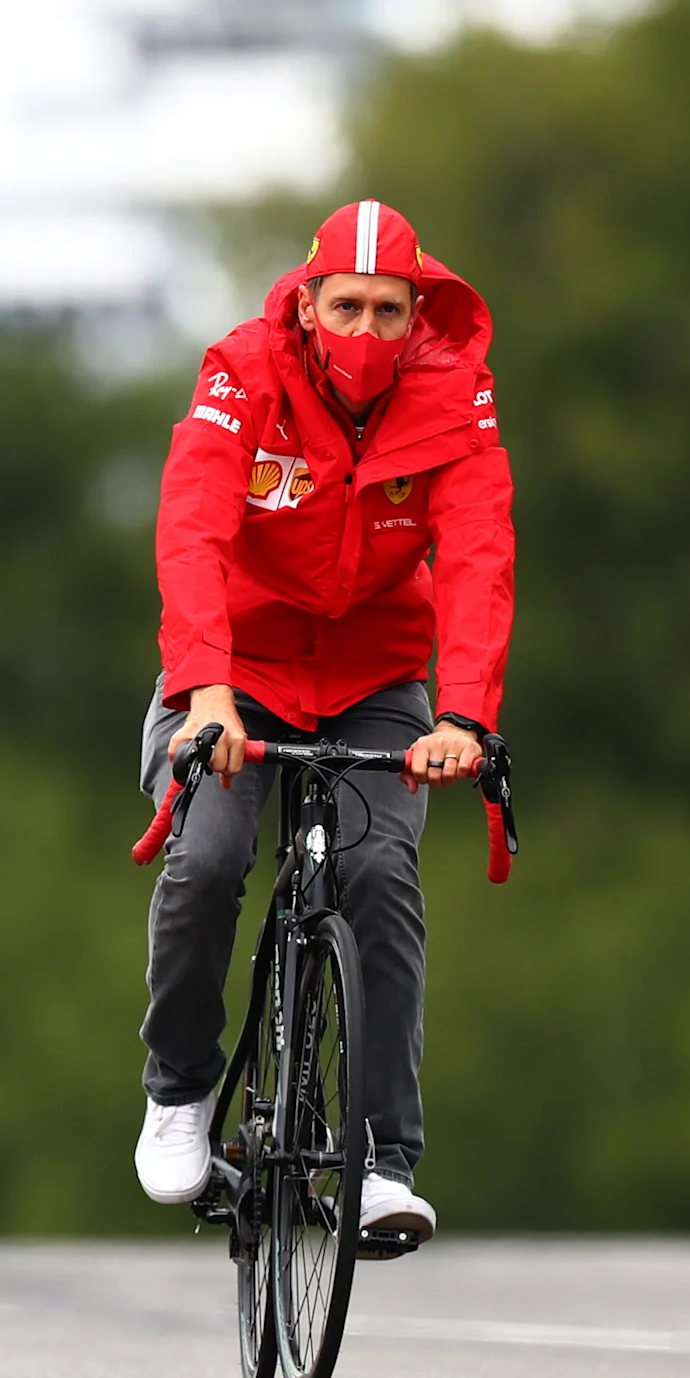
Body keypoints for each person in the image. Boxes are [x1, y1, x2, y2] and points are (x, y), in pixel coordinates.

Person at [133, 199, 514, 1247]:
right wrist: (202, 687)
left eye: (387, 311)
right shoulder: (240, 372)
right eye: (342, 307)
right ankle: (175, 1092)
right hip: (229, 673)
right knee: (206, 859)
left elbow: (479, 556)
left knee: (379, 876)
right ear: (304, 304)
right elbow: (191, 529)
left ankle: (380, 1162)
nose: (363, 332)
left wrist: (464, 717)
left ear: (413, 313)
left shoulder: (452, 398)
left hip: (376, 675)